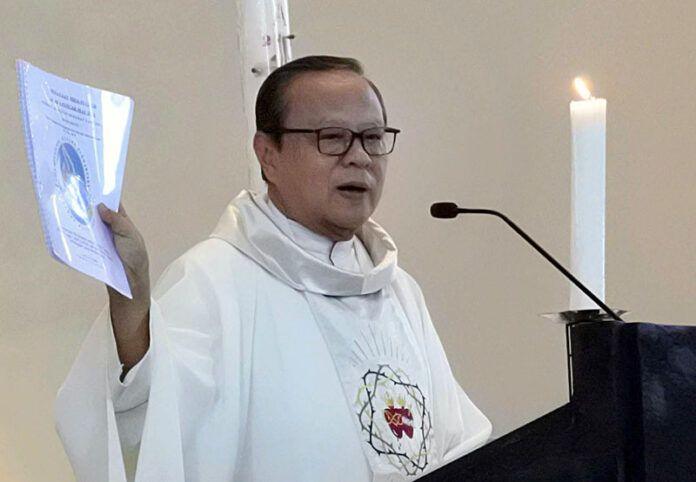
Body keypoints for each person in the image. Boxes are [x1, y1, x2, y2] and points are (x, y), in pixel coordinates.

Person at [55, 55, 491, 482]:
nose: (360, 157)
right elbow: (148, 426)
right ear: (268, 155)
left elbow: (458, 443)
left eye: (373, 137)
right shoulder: (214, 280)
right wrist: (132, 303)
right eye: (333, 137)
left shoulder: (398, 290)